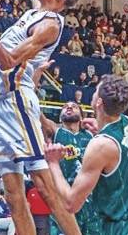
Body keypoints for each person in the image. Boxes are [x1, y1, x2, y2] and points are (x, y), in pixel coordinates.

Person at [0, 0, 81, 235]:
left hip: (17, 101)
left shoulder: (49, 25)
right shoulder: (37, 10)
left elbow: (8, 62)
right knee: (13, 196)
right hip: (0, 103)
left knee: (45, 188)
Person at [45, 74, 128, 234]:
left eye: (96, 90)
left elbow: (71, 203)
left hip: (121, 226)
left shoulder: (101, 145)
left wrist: (53, 163)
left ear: (99, 102)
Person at [39, 99, 100, 235]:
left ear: (82, 116)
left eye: (74, 107)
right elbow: (37, 114)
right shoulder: (55, 131)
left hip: (90, 201)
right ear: (60, 116)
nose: (69, 108)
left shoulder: (91, 135)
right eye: (65, 107)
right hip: (64, 198)